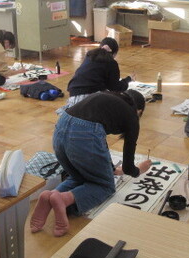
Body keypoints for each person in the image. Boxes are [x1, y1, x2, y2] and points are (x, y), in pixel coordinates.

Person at [30, 89, 151, 236]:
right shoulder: (131, 116)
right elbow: (128, 167)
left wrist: (111, 168)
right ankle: (63, 199)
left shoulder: (109, 96)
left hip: (60, 126)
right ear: (139, 111)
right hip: (82, 136)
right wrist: (139, 170)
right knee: (105, 186)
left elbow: (100, 141)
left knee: (78, 177)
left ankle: (51, 195)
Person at [59, 37, 134, 113]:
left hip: (73, 93)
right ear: (114, 54)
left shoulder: (89, 55)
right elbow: (115, 87)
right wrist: (127, 80)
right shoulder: (111, 62)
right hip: (89, 96)